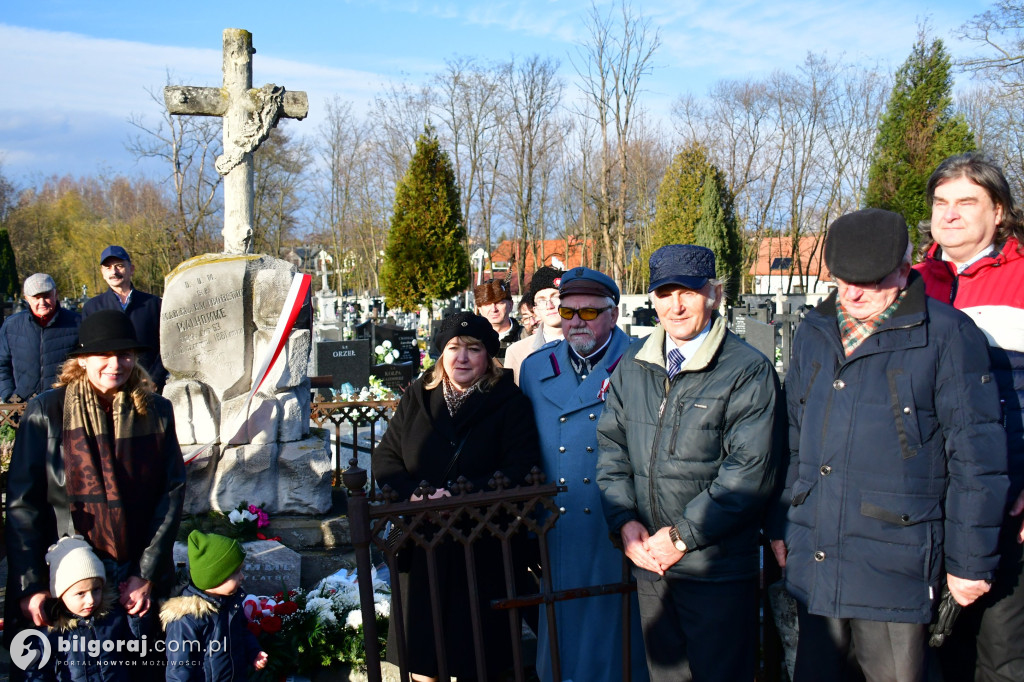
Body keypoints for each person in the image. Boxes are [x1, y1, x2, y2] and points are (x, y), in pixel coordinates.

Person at [769, 209, 1008, 682]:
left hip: (895, 565)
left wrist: (970, 561)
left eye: (870, 281)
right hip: (815, 559)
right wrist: (782, 521)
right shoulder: (816, 331)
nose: (852, 294)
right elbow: (793, 437)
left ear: (904, 270)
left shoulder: (946, 336)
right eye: (841, 280)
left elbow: (976, 458)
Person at [597, 244, 781, 682]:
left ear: (713, 295)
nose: (675, 306)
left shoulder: (745, 370)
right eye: (664, 293)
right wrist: (624, 521)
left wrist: (680, 538)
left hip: (713, 566)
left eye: (689, 292)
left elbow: (749, 471)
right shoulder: (634, 366)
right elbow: (612, 448)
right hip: (651, 565)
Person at [5, 309, 186, 681]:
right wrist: (32, 586)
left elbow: (170, 494)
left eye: (125, 354)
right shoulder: (46, 412)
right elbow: (24, 505)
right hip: (68, 576)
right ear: (82, 359)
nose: (115, 364)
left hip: (135, 575)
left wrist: (145, 574)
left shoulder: (156, 411)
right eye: (103, 355)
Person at [373, 311, 541, 681]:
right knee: (423, 651)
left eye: (473, 349)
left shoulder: (508, 401)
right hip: (422, 542)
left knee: (477, 653)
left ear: (488, 356)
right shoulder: (419, 394)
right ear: (441, 354)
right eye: (453, 348)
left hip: (480, 543)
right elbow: (386, 457)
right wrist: (411, 495)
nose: (461, 358)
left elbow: (522, 468)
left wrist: (463, 494)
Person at [914, 153, 1024, 682]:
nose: (949, 214)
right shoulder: (909, 284)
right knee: (930, 656)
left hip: (1007, 507)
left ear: (999, 210)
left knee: (999, 657)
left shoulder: (1021, 279)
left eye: (966, 202)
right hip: (926, 507)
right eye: (940, 202)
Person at [519, 267, 647, 682]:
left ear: (613, 314)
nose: (576, 322)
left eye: (589, 314)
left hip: (620, 521)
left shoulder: (641, 360)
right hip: (559, 525)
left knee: (618, 639)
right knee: (562, 637)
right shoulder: (537, 369)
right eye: (568, 312)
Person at [19, 536, 137, 681]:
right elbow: (37, 674)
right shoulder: (49, 633)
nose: (91, 600)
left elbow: (136, 647)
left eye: (96, 590)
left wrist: (136, 615)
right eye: (80, 593)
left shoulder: (114, 617)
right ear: (60, 594)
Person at [161, 531, 268, 681]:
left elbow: (242, 632)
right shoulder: (187, 619)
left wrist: (253, 652)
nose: (242, 577)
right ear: (215, 577)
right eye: (236, 572)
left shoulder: (230, 603)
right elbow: (179, 667)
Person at [83, 246, 166, 391]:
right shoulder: (92, 307)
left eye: (119, 266)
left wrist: (154, 378)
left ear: (131, 269)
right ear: (102, 273)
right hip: (110, 386)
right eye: (108, 267)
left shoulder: (153, 304)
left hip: (149, 386)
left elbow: (166, 345)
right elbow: (87, 350)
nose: (113, 272)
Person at [0, 273, 80, 402]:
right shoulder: (12, 326)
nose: (42, 302)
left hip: (64, 403)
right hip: (22, 404)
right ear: (27, 298)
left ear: (56, 294)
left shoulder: (76, 323)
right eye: (36, 298)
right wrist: (9, 395)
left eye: (46, 296)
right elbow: (2, 364)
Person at [504, 266, 564, 383]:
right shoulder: (517, 352)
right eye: (542, 300)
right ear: (535, 310)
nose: (549, 305)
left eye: (555, 297)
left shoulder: (587, 344)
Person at [474, 277, 522, 361]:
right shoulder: (471, 340)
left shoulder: (526, 337)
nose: (493, 309)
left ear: (510, 305)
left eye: (500, 303)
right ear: (479, 308)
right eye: (487, 304)